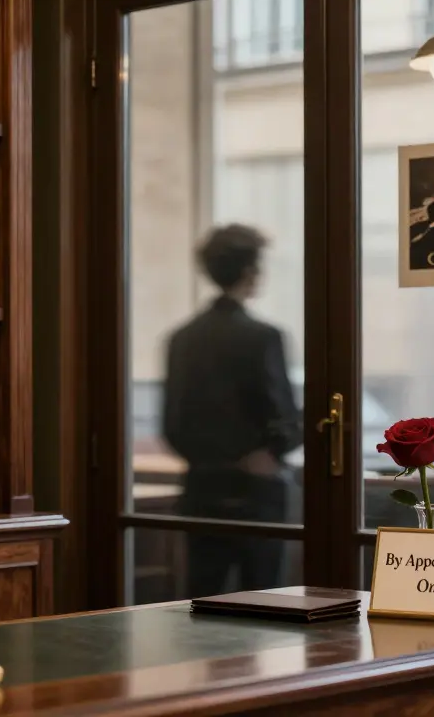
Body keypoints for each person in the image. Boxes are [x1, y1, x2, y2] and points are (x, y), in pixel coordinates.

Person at [161, 224, 303, 598]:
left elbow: (172, 424)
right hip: (255, 491)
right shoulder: (263, 336)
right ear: (248, 272)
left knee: (202, 598)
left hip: (202, 486)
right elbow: (285, 418)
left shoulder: (182, 338)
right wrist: (269, 453)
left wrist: (214, 458)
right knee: (264, 601)